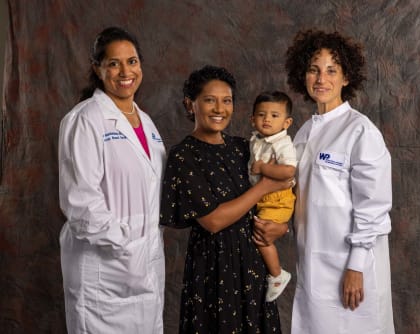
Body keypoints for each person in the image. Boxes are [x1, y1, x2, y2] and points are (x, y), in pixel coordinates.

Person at [160, 65, 290, 333]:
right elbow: (213, 220)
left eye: (227, 101)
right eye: (210, 100)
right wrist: (263, 186)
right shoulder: (184, 155)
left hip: (254, 266)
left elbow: (283, 189)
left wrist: (281, 227)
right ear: (190, 104)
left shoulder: (244, 148)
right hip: (213, 271)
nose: (219, 109)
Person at [285, 29, 395, 333]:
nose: (321, 79)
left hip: (350, 267)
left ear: (346, 78)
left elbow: (373, 206)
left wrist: (356, 266)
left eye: (332, 70)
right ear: (303, 76)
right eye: (313, 70)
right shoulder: (303, 133)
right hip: (312, 264)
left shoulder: (360, 131)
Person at [58, 27, 166, 334]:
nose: (125, 71)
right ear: (97, 69)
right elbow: (81, 204)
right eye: (114, 63)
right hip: (104, 273)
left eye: (131, 61)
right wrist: (126, 244)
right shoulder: (85, 119)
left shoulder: (145, 122)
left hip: (145, 271)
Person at [248, 91, 297, 302]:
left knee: (261, 236)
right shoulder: (256, 139)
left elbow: (288, 171)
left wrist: (263, 167)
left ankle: (277, 275)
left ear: (287, 122)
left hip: (278, 199)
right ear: (252, 119)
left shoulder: (282, 143)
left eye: (275, 116)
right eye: (261, 114)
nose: (267, 119)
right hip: (264, 196)